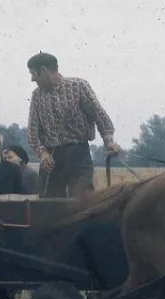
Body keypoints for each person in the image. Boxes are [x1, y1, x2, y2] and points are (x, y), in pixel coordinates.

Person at [26, 52, 121, 198]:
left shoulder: (78, 86)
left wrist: (109, 141)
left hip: (79, 155)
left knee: (82, 203)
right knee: (47, 208)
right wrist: (42, 153)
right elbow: (33, 132)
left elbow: (99, 115)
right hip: (51, 159)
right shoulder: (37, 96)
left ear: (43, 71)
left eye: (33, 74)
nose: (32, 79)